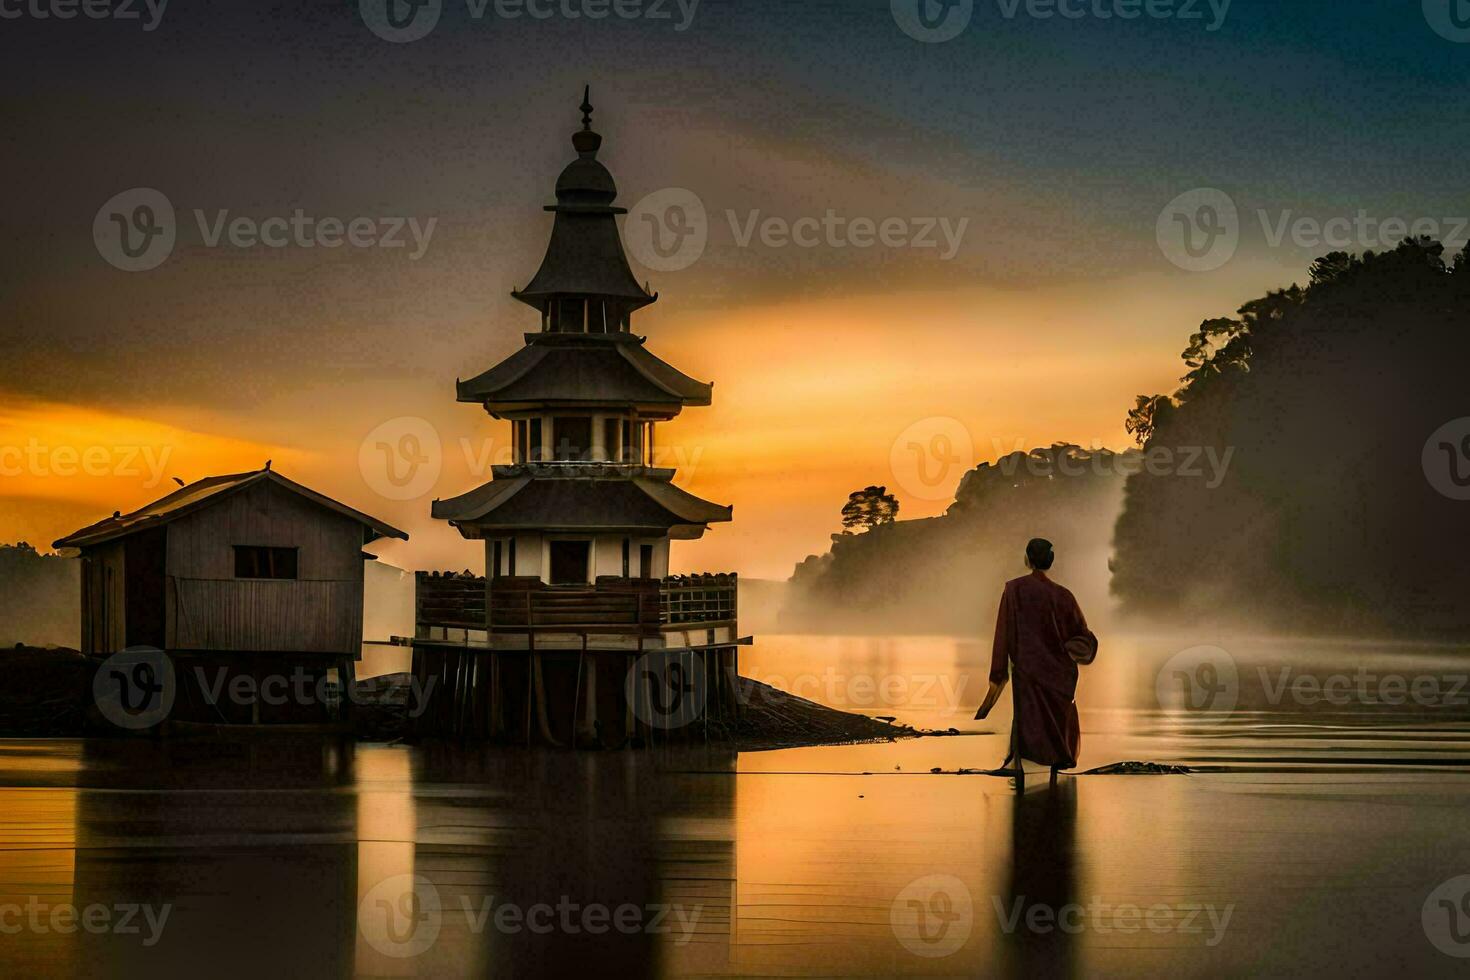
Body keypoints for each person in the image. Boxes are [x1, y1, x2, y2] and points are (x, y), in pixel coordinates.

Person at [975, 538, 1097, 783]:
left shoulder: (1014, 591)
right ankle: (1053, 772)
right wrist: (1069, 650)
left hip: (1028, 672)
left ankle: (1019, 771)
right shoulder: (1064, 596)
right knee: (1056, 725)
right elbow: (1082, 636)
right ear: (1050, 561)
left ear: (1027, 559)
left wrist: (999, 672)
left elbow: (1004, 634)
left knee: (1027, 721)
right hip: (1060, 674)